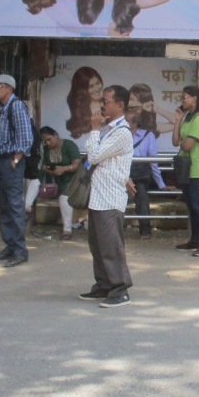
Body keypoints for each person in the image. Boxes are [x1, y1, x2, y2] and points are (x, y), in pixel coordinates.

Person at [78, 85, 135, 307]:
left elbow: (94, 156)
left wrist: (93, 129)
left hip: (110, 197)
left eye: (106, 101)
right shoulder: (108, 128)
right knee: (98, 244)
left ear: (119, 105)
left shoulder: (121, 132)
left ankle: (120, 289)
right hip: (98, 195)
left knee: (111, 246)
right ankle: (103, 285)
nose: (101, 105)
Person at [0, 73, 34, 268]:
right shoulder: (4, 108)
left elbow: (26, 138)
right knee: (5, 204)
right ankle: (10, 246)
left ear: (9, 88)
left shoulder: (16, 107)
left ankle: (20, 250)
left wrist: (16, 158)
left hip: (12, 161)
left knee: (14, 205)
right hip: (4, 159)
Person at [172, 85, 199, 257]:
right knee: (191, 206)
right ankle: (195, 240)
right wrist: (177, 121)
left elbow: (188, 145)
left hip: (197, 167)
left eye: (186, 97)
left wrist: (183, 142)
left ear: (195, 99)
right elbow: (175, 141)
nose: (183, 100)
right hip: (185, 168)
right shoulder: (187, 118)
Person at [127, 84, 168, 239]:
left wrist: (161, 185)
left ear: (135, 123)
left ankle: (145, 229)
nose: (125, 123)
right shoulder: (118, 134)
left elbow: (153, 162)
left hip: (138, 175)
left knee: (142, 198)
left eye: (128, 121)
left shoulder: (148, 135)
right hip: (119, 172)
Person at [35, 125, 81, 240]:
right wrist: (49, 170)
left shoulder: (68, 145)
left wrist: (64, 169)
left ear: (55, 135)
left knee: (64, 198)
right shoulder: (46, 149)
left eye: (49, 139)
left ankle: (67, 229)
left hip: (74, 180)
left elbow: (76, 164)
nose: (48, 143)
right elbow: (43, 165)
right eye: (45, 141)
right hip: (56, 182)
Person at [66, 66, 104, 139]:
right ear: (82, 90)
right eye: (91, 86)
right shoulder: (79, 112)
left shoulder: (109, 104)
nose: (97, 89)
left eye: (98, 83)